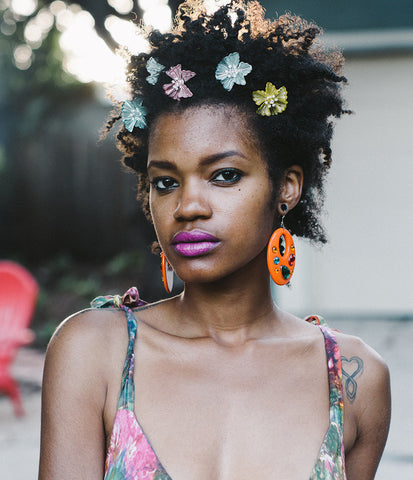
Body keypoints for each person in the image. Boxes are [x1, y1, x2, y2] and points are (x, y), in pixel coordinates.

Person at [39, 1, 391, 479]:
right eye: (165, 182)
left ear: (286, 185)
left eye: (224, 175)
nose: (188, 206)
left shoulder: (353, 379)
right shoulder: (94, 352)